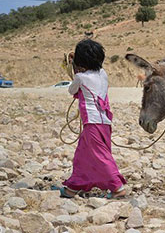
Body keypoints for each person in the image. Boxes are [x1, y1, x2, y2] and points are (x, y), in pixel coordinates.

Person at [53, 39, 127, 198]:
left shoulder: (81, 78)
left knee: (100, 156)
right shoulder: (103, 74)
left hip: (92, 123)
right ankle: (72, 188)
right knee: (83, 155)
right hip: (105, 122)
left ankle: (118, 187)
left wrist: (75, 68)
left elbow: (71, 89)